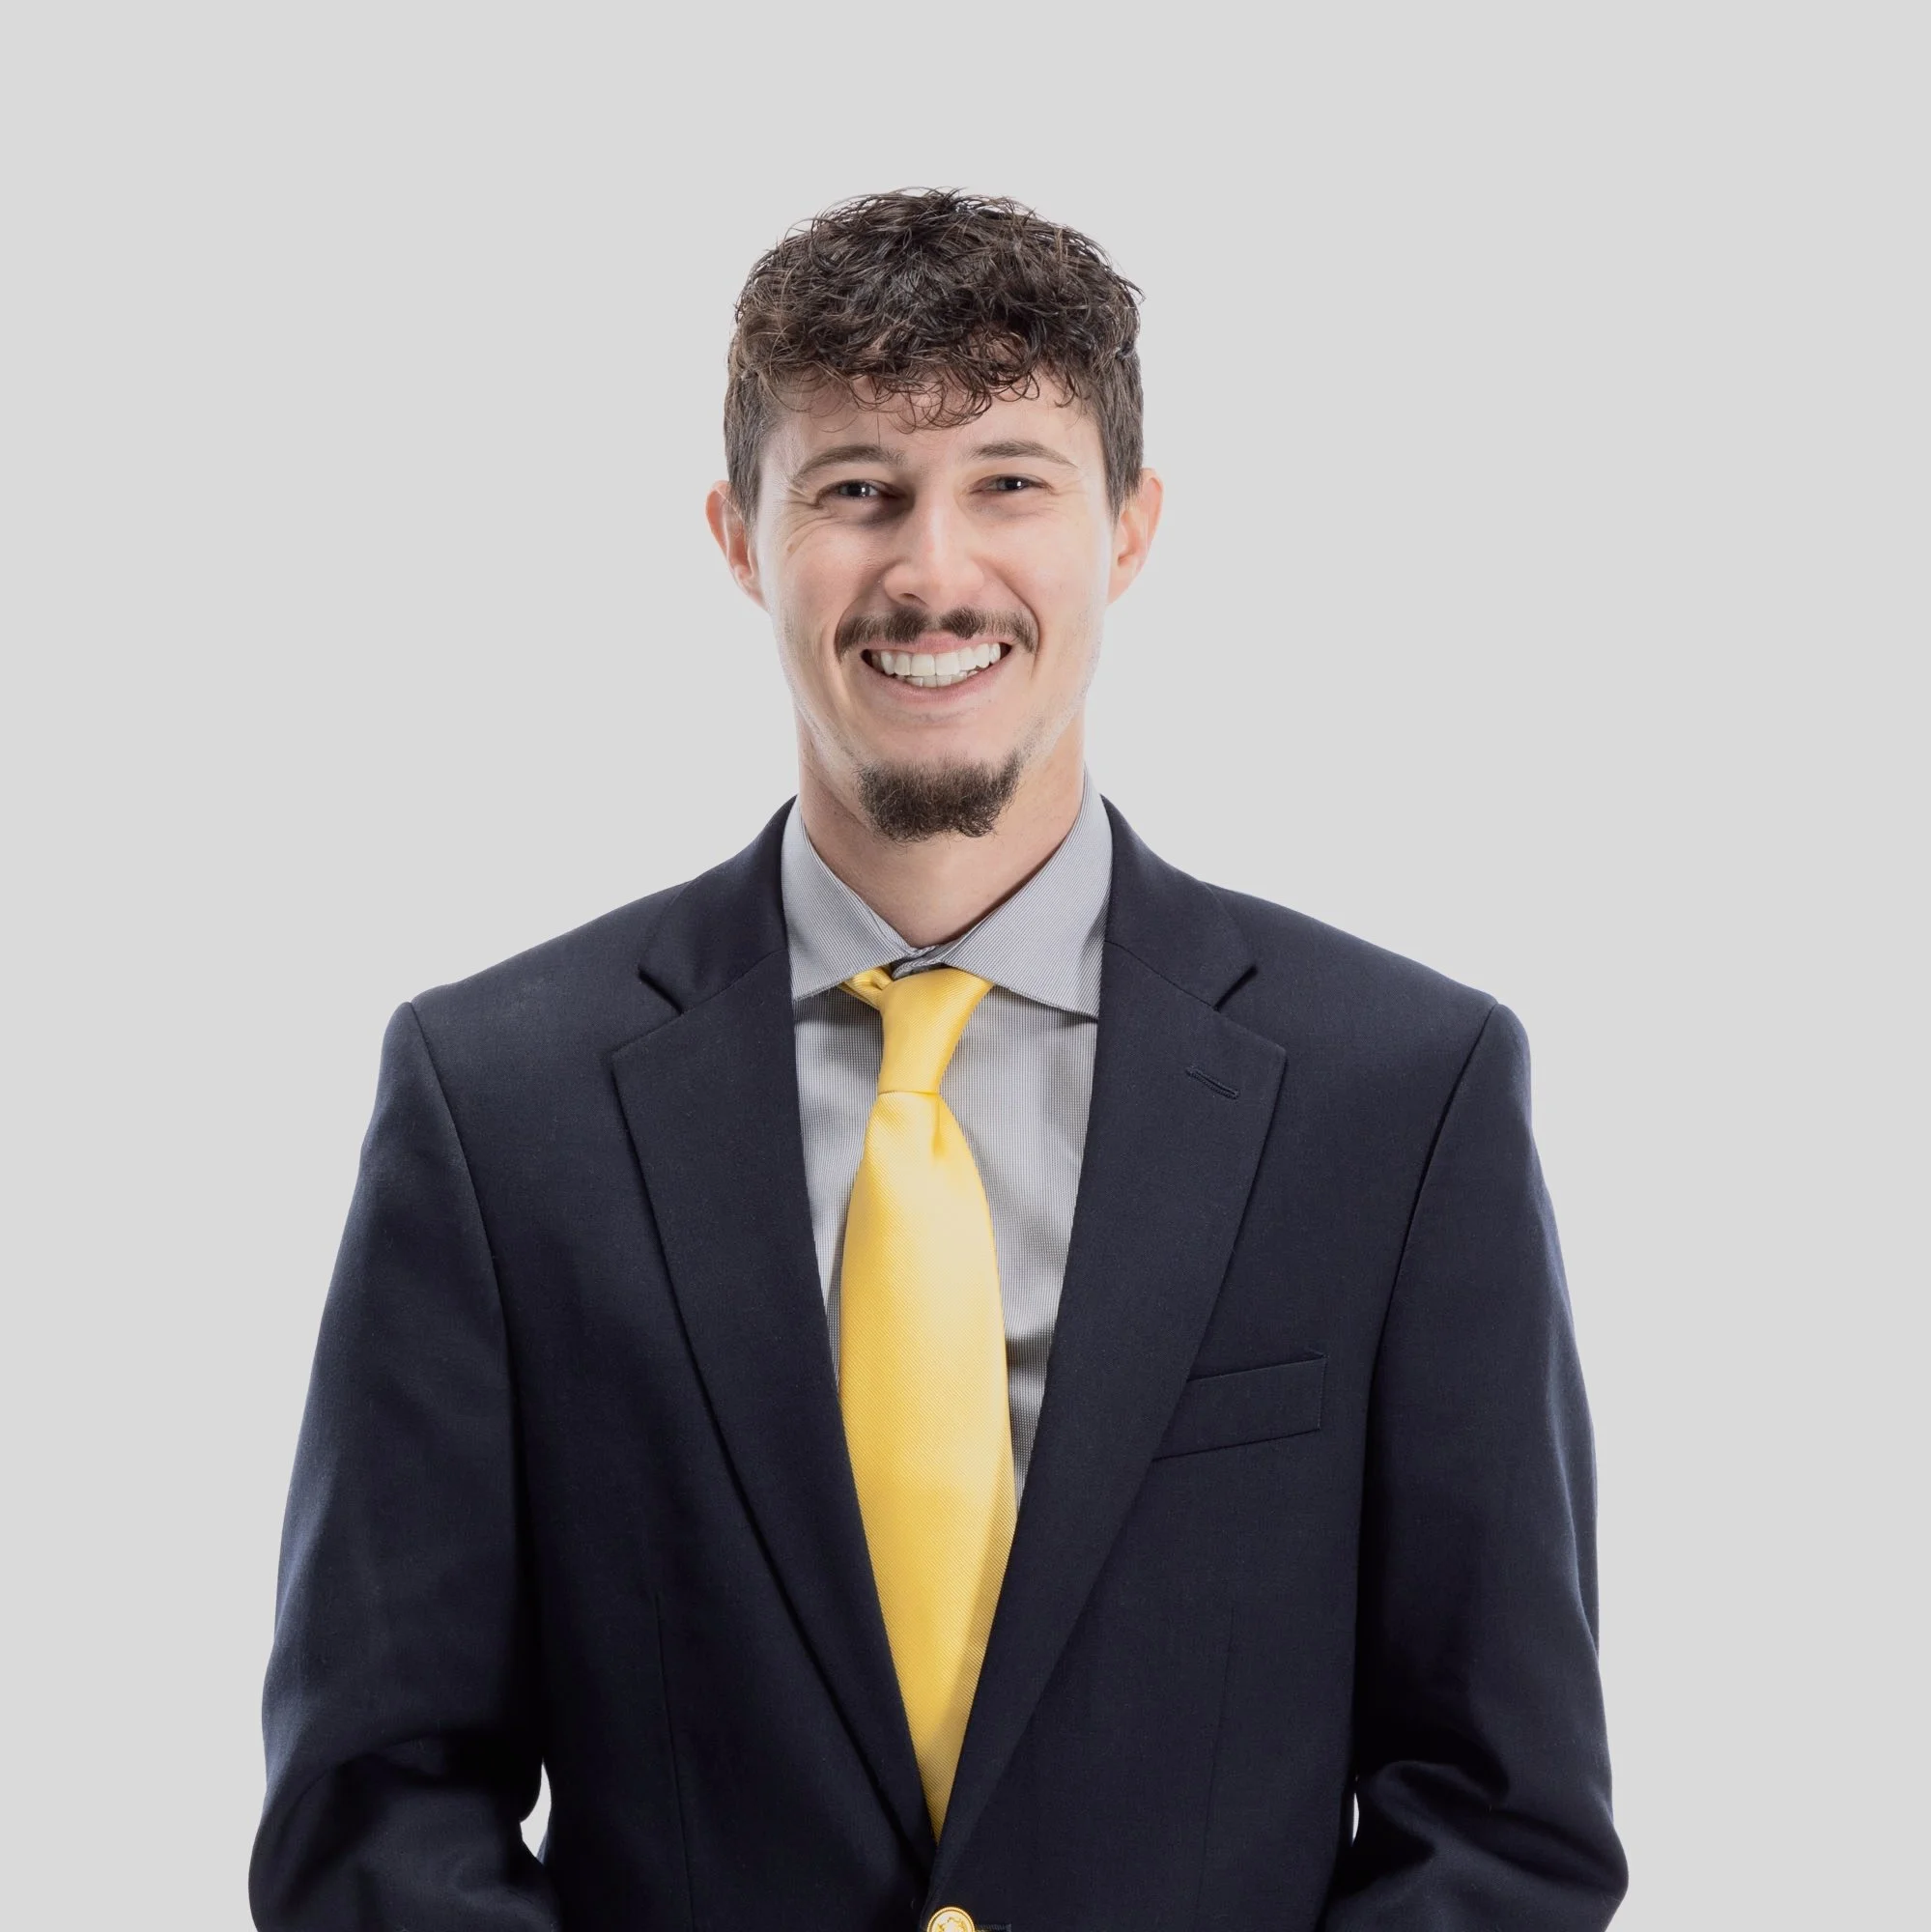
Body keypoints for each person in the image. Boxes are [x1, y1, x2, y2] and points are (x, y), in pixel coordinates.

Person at [251, 189, 1626, 1932]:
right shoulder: (495, 1101)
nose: (931, 570)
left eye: (1008, 480)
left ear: (1126, 528)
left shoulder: (1399, 1092)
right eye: (854, 491)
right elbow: (376, 1809)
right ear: (739, 538)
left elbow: (1502, 1822)